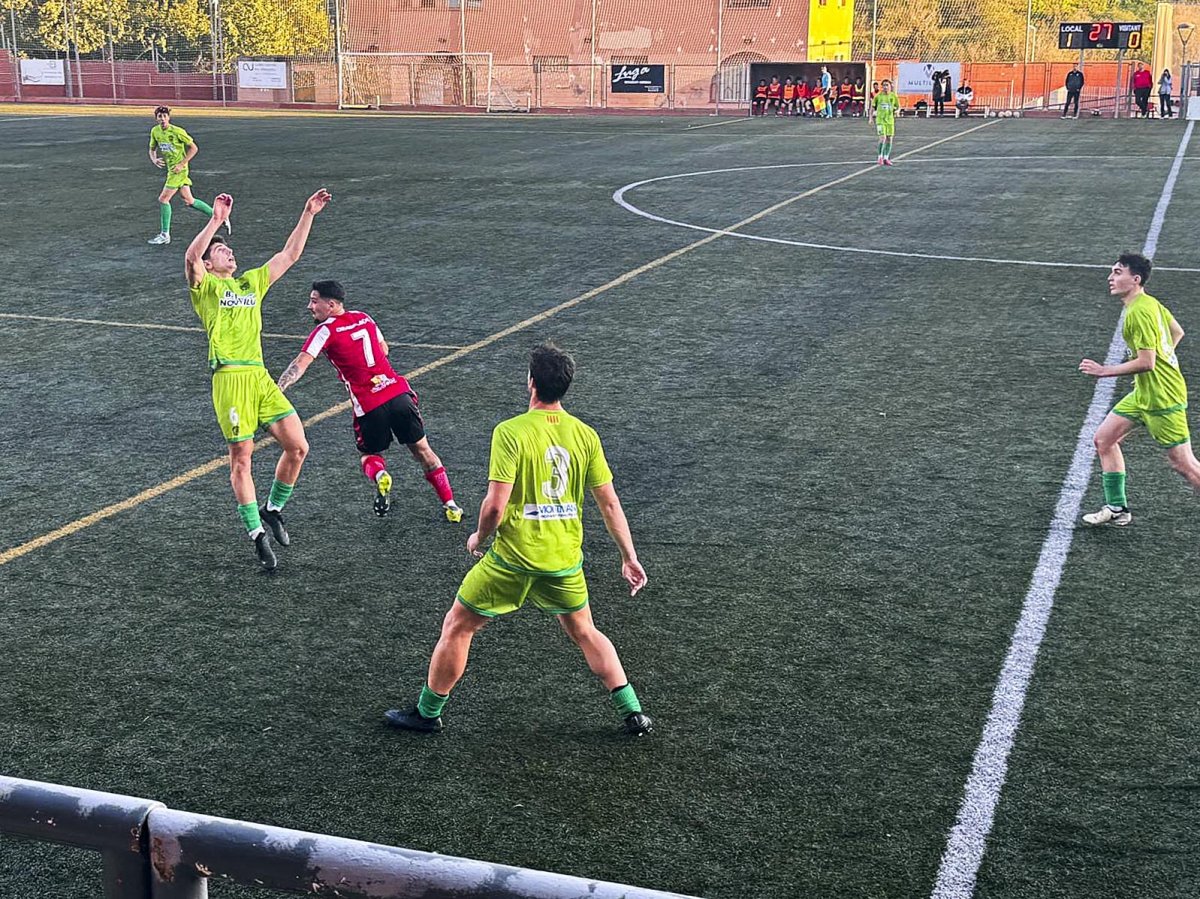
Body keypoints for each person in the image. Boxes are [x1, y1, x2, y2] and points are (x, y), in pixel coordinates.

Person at [384, 342, 652, 736]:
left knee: (458, 625)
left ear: (531, 384)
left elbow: (495, 505)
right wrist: (629, 557)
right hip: (563, 561)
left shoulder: (510, 433)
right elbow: (609, 504)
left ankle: (427, 713)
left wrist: (479, 536)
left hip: (511, 561)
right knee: (585, 632)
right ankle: (633, 712)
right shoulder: (585, 435)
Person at [184, 189, 331, 571]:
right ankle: (257, 535)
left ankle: (273, 508)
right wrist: (214, 221)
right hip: (230, 378)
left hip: (260, 377)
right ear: (209, 264)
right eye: (220, 251)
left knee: (298, 446)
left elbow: (289, 255)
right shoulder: (207, 288)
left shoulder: (250, 283)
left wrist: (308, 212)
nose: (229, 253)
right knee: (242, 460)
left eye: (228, 250)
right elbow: (189, 259)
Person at [276, 280, 464, 522]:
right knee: (424, 451)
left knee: (369, 454)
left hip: (369, 404)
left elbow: (299, 364)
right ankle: (451, 505)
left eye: (314, 301)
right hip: (399, 395)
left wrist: (278, 388)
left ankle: (381, 476)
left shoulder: (325, 330)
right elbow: (383, 349)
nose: (309, 307)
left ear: (331, 305)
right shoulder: (364, 317)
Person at [1079, 253, 1200, 526]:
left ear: (1135, 279)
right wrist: (1164, 360)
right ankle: (1117, 508)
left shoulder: (1139, 313)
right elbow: (1177, 332)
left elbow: (1147, 362)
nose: (1111, 277)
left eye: (1117, 272)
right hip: (1144, 394)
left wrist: (1104, 370)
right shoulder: (1150, 303)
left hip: (1162, 398)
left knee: (1184, 464)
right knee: (1104, 440)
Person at [147, 106, 229, 246]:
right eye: (159, 116)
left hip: (179, 170)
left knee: (163, 199)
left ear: (169, 117)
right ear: (156, 118)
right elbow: (152, 148)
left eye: (165, 116)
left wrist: (182, 163)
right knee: (189, 200)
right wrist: (154, 159)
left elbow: (194, 148)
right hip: (171, 169)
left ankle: (165, 234)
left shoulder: (178, 131)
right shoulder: (155, 131)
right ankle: (221, 217)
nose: (162, 119)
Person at [872, 78, 899, 166]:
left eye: (887, 85)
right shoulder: (878, 96)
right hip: (880, 120)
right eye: (884, 85)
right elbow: (872, 107)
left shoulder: (893, 96)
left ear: (890, 87)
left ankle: (886, 158)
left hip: (890, 121)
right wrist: (870, 118)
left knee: (889, 139)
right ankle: (880, 157)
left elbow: (898, 107)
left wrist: (896, 111)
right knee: (882, 138)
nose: (885, 87)